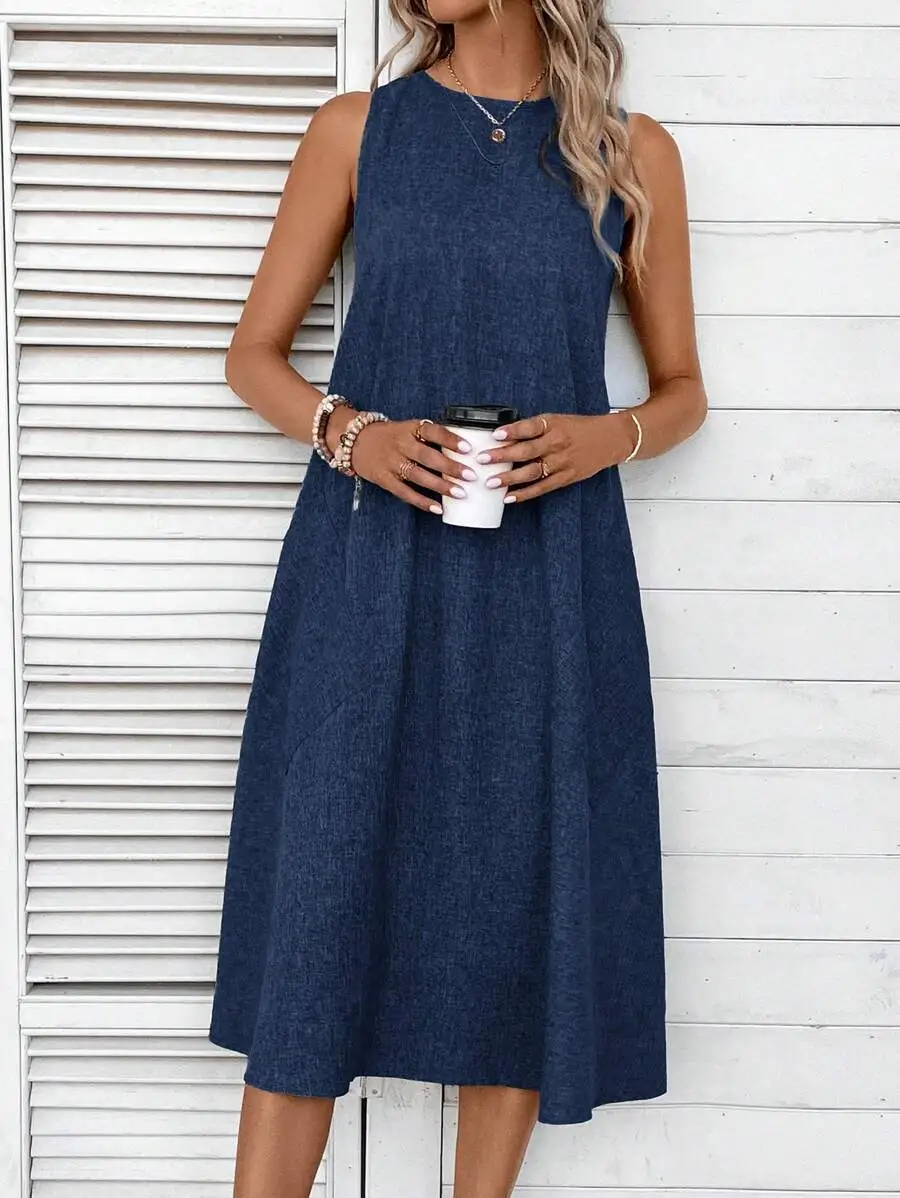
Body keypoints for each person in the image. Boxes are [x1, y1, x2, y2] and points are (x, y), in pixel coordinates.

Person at [208, 0, 707, 1192]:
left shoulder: (630, 152)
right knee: (321, 906)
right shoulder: (356, 132)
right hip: (367, 564)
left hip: (550, 579)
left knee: (516, 908)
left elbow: (685, 388)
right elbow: (252, 356)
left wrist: (608, 436)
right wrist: (353, 434)